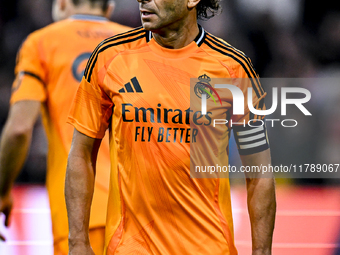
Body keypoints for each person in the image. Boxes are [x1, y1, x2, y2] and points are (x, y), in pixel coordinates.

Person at [65, 0, 276, 254]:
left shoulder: (232, 69)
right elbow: (81, 153)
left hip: (207, 248)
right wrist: (77, 242)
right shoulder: (109, 57)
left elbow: (259, 174)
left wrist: (261, 252)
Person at [0, 0, 130, 254]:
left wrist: (3, 190)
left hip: (79, 218)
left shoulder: (41, 43)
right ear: (109, 7)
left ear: (61, 3)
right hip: (138, 213)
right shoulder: (136, 44)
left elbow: (19, 129)